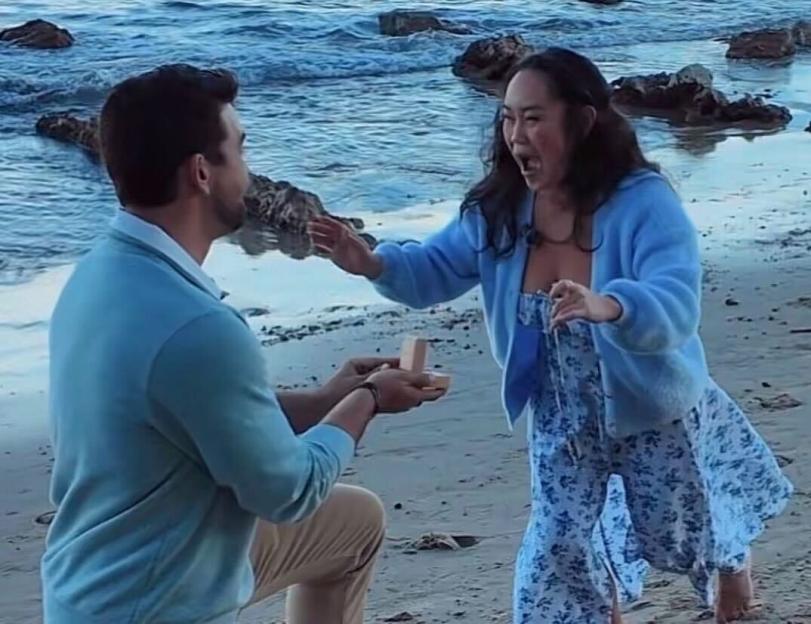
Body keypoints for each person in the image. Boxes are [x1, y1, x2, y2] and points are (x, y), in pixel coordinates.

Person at [308, 47, 794, 624]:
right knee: (558, 549)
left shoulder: (644, 202)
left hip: (651, 404)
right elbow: (434, 267)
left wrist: (610, 305)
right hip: (559, 416)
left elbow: (676, 302)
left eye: (533, 118)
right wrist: (371, 263)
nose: (516, 135)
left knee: (682, 533)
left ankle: (731, 561)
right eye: (508, 118)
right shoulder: (498, 209)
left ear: (582, 122)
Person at [41, 64, 446, 624]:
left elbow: (191, 410)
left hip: (91, 582)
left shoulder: (96, 275)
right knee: (317, 499)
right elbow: (290, 491)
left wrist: (325, 400)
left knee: (353, 522)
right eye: (241, 149)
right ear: (201, 172)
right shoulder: (197, 326)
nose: (249, 173)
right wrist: (368, 400)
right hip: (155, 605)